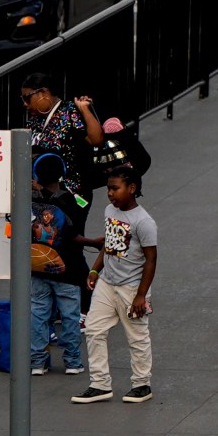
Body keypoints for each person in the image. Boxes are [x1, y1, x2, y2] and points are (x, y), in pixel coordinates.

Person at [72, 167, 156, 404]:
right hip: (107, 283)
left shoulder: (144, 222)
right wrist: (95, 269)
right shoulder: (110, 210)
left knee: (137, 336)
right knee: (93, 329)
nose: (110, 193)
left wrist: (141, 295)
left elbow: (151, 260)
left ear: (132, 189)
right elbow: (109, 244)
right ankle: (99, 384)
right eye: (109, 188)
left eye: (115, 188)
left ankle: (142, 385)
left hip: (131, 288)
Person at [27, 153, 89, 377]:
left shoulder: (28, 199)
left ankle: (37, 362)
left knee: (38, 312)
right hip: (66, 268)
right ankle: (72, 361)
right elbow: (75, 234)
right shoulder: (69, 200)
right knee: (70, 314)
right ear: (61, 174)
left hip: (36, 265)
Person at [21, 72, 107, 187]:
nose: (25, 104)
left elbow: (96, 140)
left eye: (27, 98)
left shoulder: (71, 111)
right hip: (39, 192)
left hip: (70, 192)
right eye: (23, 98)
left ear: (43, 93)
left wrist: (84, 109)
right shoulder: (33, 121)